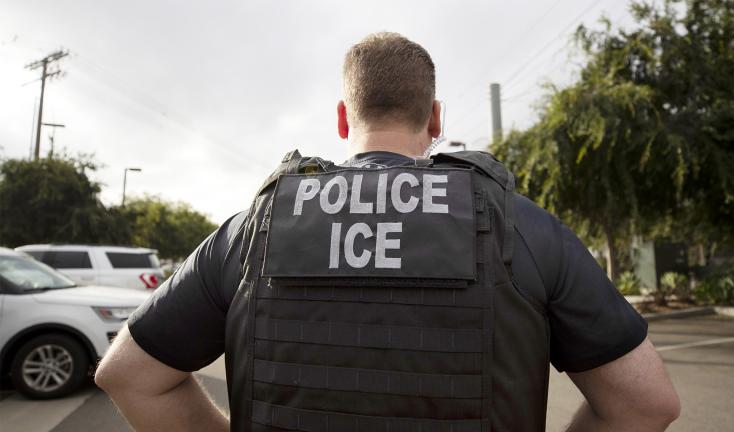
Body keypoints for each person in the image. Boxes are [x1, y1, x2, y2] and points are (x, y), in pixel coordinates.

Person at [96, 32, 680, 432]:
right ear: (435, 119)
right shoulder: (522, 225)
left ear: (344, 118)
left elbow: (128, 377)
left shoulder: (257, 228)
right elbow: (646, 404)